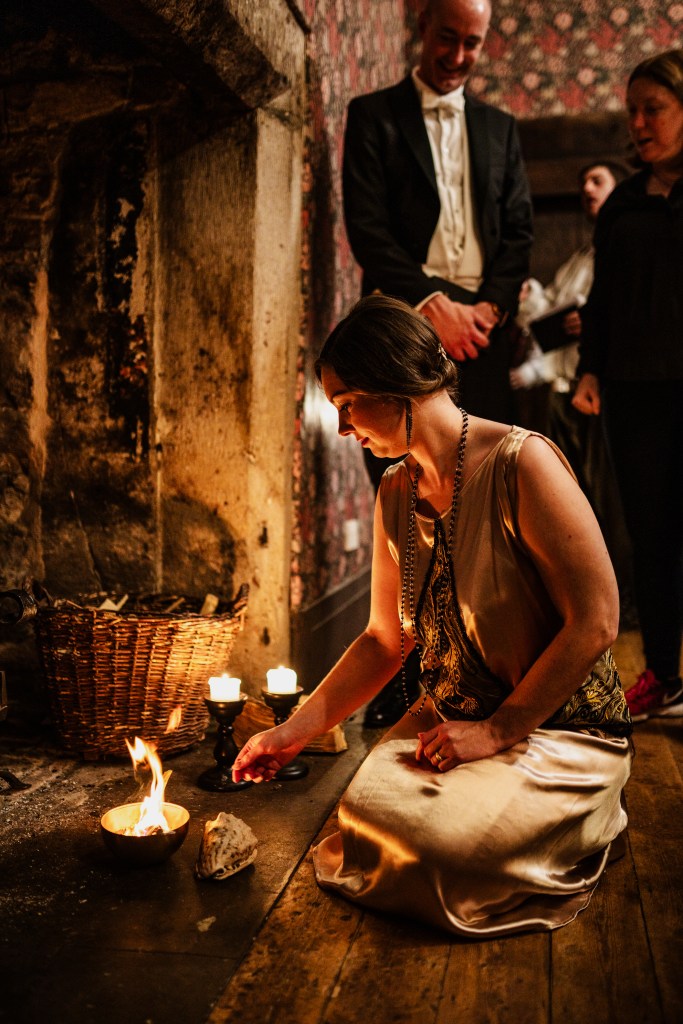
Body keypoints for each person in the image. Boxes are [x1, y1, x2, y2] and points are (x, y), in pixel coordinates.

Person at [233, 295, 632, 938]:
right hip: (457, 719)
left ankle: (588, 815)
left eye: (346, 404)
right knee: (364, 820)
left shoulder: (522, 463)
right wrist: (295, 730)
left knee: (437, 851)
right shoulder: (397, 488)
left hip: (557, 728)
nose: (342, 428)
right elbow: (382, 641)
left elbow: (598, 620)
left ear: (396, 387)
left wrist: (499, 730)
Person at [343, 0, 532, 725]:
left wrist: (486, 310)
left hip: (481, 333)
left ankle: (479, 672)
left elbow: (517, 230)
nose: (458, 54)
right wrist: (430, 304)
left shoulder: (500, 128)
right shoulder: (373, 115)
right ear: (421, 26)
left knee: (483, 498)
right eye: (447, 37)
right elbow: (367, 229)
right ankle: (397, 682)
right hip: (403, 321)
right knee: (404, 497)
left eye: (472, 43)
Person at [573, 49, 683, 722]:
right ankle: (664, 678)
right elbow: (602, 299)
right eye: (632, 112)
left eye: (654, 109)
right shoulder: (619, 206)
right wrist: (589, 368)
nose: (638, 124)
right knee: (652, 535)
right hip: (635, 391)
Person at [511, 161, 636, 627]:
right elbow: (553, 321)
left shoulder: (630, 249)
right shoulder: (582, 256)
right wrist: (536, 301)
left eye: (597, 180)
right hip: (565, 389)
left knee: (611, 504)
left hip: (604, 390)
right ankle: (582, 604)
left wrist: (596, 322)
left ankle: (620, 608)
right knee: (574, 503)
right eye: (582, 181)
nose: (586, 188)